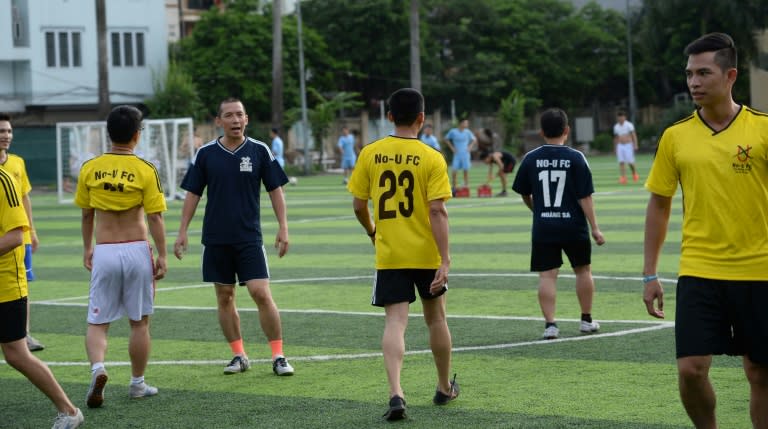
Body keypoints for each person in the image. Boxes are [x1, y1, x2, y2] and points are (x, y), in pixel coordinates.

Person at [642, 33, 768, 429]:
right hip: (700, 270)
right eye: (689, 74)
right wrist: (650, 273)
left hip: (759, 271)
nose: (693, 82)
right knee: (691, 369)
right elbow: (659, 203)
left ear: (730, 75)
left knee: (760, 374)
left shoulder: (763, 130)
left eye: (703, 73)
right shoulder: (675, 136)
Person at [348, 88, 459, 421]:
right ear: (422, 118)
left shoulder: (370, 152)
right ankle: (442, 387)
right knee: (436, 318)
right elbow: (437, 211)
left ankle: (396, 393)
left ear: (389, 116)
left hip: (391, 253)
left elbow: (358, 205)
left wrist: (372, 231)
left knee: (395, 323)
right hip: (426, 254)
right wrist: (445, 259)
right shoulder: (432, 157)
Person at [173, 97, 295, 377]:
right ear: (219, 121)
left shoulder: (259, 150)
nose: (235, 120)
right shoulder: (205, 154)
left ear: (247, 119)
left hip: (249, 238)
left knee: (260, 293)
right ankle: (239, 355)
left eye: (240, 115)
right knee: (225, 297)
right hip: (215, 239)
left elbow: (275, 189)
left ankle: (278, 355)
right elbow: (193, 193)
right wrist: (182, 231)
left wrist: (283, 226)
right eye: (229, 115)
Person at [75, 105, 167, 408]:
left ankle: (98, 369)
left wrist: (88, 248)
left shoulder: (90, 168)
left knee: (98, 323)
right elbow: (155, 218)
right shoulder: (145, 169)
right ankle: (138, 384)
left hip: (105, 250)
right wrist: (163, 255)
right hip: (137, 248)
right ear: (137, 135)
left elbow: (87, 215)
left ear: (108, 133)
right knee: (139, 323)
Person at [511, 108, 605, 340]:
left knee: (547, 276)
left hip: (545, 226)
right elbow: (585, 197)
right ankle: (586, 320)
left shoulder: (531, 158)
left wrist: (536, 210)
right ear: (567, 130)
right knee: (583, 270)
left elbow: (523, 192)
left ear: (541, 132)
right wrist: (595, 227)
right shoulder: (576, 157)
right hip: (574, 225)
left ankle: (550, 325)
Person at [0, 169, 84, 428]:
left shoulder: (3, 181)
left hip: (5, 286)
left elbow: (15, 235)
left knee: (16, 355)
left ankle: (69, 411)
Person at [0, 113, 44, 352]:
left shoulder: (17, 163)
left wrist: (32, 231)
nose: (6, 136)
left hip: (18, 236)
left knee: (21, 285)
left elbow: (25, 197)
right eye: (1, 132)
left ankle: (23, 334)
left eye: (8, 131)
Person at [443, 118, 476, 191]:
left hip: (465, 154)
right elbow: (446, 139)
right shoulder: (453, 131)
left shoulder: (468, 132)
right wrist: (452, 148)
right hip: (457, 154)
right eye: (465, 123)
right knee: (454, 170)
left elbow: (474, 140)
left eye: (467, 123)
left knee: (466, 170)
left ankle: (466, 186)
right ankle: (454, 187)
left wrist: (470, 147)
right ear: (461, 123)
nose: (467, 124)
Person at [613, 110, 639, 184]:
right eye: (619, 117)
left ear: (625, 117)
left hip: (628, 145)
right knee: (621, 162)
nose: (620, 118)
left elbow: (633, 135)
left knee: (630, 162)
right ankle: (623, 178)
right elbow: (616, 137)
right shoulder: (616, 126)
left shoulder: (629, 125)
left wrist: (635, 144)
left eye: (622, 117)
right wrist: (615, 148)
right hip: (620, 145)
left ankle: (634, 173)